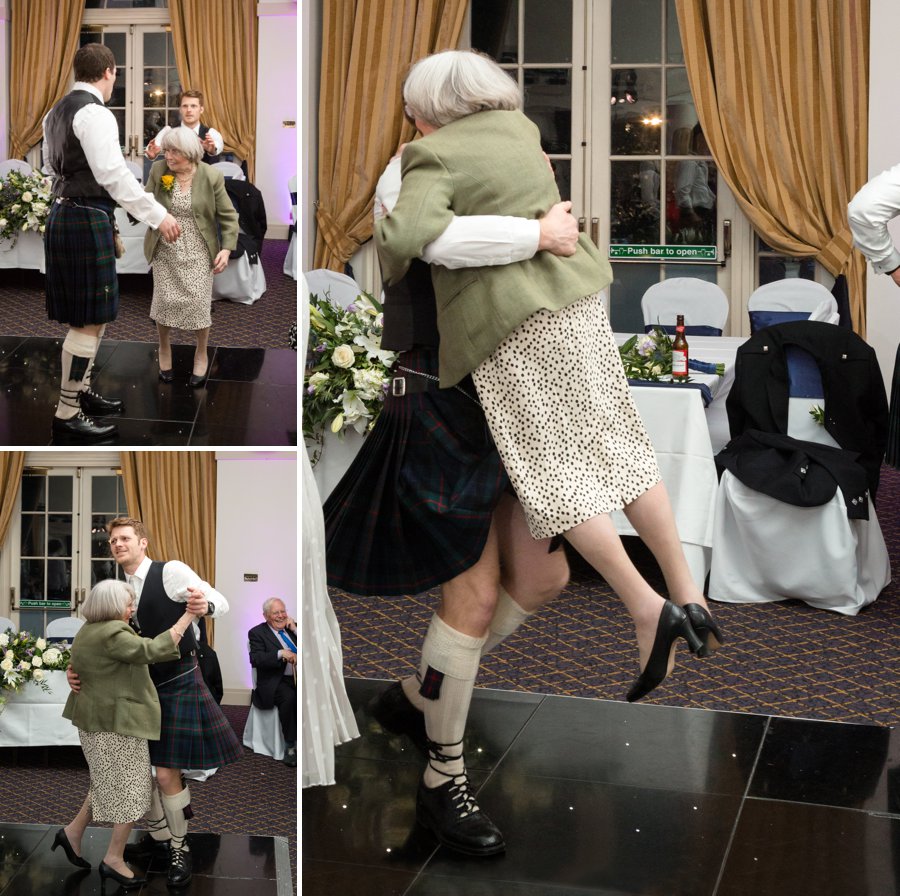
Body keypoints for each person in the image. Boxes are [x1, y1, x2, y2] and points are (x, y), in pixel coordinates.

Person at [376, 50, 725, 708]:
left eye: (412, 112)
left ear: (427, 111)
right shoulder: (522, 131)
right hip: (579, 304)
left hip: (514, 323)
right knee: (618, 443)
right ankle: (687, 591)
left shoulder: (430, 155)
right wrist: (541, 231)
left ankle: (646, 608)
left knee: (556, 473)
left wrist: (524, 233)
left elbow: (412, 241)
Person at [321, 154, 578, 854]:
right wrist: (538, 232)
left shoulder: (495, 163)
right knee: (473, 592)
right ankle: (443, 777)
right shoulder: (408, 171)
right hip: (437, 387)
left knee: (547, 576)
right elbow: (432, 242)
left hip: (508, 389)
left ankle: (414, 693)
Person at [67, 517, 242, 888]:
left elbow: (221, 602)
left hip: (177, 680)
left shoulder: (171, 572)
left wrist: (203, 603)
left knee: (165, 774)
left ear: (143, 542)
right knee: (135, 770)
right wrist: (76, 669)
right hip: (138, 688)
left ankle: (180, 848)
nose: (118, 544)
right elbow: (102, 639)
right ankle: (161, 838)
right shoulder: (116, 587)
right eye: (113, 540)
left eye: (125, 538)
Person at [42, 43, 180, 443]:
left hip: (69, 213)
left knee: (90, 317)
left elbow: (56, 168)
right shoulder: (95, 113)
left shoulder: (56, 112)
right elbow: (113, 175)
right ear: (110, 72)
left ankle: (80, 393)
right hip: (84, 218)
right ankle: (67, 412)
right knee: (87, 320)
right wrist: (159, 214)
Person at [53, 579, 194, 890]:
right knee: (133, 791)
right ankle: (113, 859)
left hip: (94, 723)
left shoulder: (87, 629)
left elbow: (81, 665)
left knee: (106, 782)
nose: (132, 609)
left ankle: (73, 833)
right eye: (128, 604)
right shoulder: (114, 633)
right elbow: (154, 650)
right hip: (115, 725)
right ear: (112, 607)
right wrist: (188, 617)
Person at [143, 126, 238, 386]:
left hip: (198, 247)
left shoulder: (210, 176)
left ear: (190, 153)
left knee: (198, 303)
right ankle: (164, 347)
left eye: (175, 152)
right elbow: (146, 203)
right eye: (167, 150)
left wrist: (226, 248)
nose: (168, 156)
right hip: (165, 247)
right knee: (164, 301)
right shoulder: (160, 170)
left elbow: (228, 216)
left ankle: (201, 350)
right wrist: (160, 216)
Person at [248, 598, 297, 767]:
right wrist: (280, 653)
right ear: (266, 616)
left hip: (298, 678)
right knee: (290, 698)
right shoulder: (257, 633)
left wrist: (296, 630)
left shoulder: (292, 628)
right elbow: (256, 658)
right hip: (275, 681)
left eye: (283, 611)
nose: (281, 616)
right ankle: (290, 746)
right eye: (276, 613)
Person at [145, 90, 224, 165]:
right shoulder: (168, 132)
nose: (189, 110)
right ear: (180, 109)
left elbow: (217, 149)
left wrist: (211, 150)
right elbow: (151, 151)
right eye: (185, 106)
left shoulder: (211, 133)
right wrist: (152, 155)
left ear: (201, 109)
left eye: (193, 106)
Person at [674, 123, 716, 244]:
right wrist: (691, 214)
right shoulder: (690, 162)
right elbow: (682, 191)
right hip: (696, 212)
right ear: (698, 140)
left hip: (703, 212)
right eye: (707, 140)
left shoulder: (699, 161)